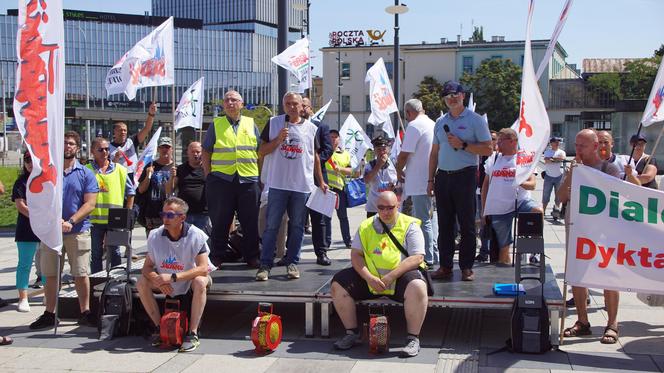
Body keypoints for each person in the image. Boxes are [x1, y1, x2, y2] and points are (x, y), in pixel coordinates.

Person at [558, 129, 638, 345]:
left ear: (595, 147)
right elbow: (560, 197)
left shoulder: (608, 168)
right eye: (576, 145)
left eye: (582, 146)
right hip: (578, 229)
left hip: (604, 232)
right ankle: (582, 322)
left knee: (608, 276)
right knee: (577, 275)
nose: (578, 150)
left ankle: (612, 324)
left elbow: (615, 199)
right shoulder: (574, 168)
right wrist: (572, 175)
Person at [330, 191, 428, 357]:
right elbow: (356, 255)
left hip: (398, 278)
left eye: (390, 208)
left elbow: (417, 257)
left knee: (418, 286)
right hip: (371, 280)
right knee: (338, 283)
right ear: (376, 207)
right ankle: (351, 333)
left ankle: (413, 338)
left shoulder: (409, 225)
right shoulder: (366, 226)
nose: (386, 212)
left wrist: (391, 277)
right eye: (381, 208)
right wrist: (369, 277)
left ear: (397, 206)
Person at [30, 131, 99, 329]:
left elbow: (90, 203)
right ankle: (50, 313)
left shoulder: (85, 173)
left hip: (77, 230)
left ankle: (85, 311)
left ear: (77, 148)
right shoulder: (48, 173)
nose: (67, 146)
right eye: (64, 143)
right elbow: (39, 199)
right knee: (51, 274)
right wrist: (53, 219)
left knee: (80, 272)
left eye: (71, 143)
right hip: (51, 232)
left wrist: (71, 220)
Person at [256, 91, 327, 281]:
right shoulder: (274, 123)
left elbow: (315, 157)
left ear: (302, 106)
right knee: (272, 226)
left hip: (301, 185)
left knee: (297, 227)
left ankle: (292, 263)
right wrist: (278, 140)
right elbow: (261, 151)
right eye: (288, 104)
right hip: (278, 184)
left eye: (295, 103)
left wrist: (320, 181)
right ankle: (265, 265)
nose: (292, 107)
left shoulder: (311, 128)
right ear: (283, 105)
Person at [428, 81, 492, 281]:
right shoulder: (440, 122)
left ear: (463, 95)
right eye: (447, 96)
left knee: (466, 224)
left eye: (455, 95)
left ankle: (466, 267)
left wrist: (463, 144)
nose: (451, 99)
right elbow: (434, 153)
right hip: (443, 177)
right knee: (445, 224)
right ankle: (445, 266)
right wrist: (430, 179)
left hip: (465, 175)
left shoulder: (476, 120)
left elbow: (488, 149)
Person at [137, 197, 210, 353]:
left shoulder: (196, 234)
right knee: (141, 282)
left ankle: (192, 333)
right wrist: (157, 280)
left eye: (170, 215)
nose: (165, 218)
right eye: (163, 214)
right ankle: (159, 328)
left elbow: (203, 268)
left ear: (182, 217)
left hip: (187, 279)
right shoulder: (155, 235)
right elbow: (146, 268)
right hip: (165, 281)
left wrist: (172, 277)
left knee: (200, 281)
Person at [202, 90, 261, 268]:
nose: (230, 103)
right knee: (220, 220)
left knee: (250, 222)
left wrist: (260, 176)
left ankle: (252, 256)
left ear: (241, 104)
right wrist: (208, 175)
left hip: (248, 179)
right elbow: (206, 151)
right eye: (227, 100)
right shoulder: (216, 124)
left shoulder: (251, 124)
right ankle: (217, 256)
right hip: (221, 180)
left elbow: (259, 151)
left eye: (234, 100)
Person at [480, 128, 542, 265]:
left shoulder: (524, 159)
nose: (498, 143)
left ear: (512, 142)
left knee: (537, 212)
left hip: (520, 201)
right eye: (498, 140)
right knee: (504, 249)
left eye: (501, 140)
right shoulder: (494, 158)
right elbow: (485, 186)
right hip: (499, 207)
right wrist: (484, 210)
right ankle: (505, 272)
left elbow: (532, 185)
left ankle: (532, 250)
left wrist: (519, 180)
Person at [396, 98, 436, 268]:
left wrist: (398, 169)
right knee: (431, 219)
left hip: (420, 180)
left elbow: (404, 154)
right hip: (429, 177)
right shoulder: (432, 123)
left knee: (422, 219)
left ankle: (427, 258)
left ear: (409, 113)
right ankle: (433, 252)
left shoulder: (414, 126)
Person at [87, 137, 136, 274]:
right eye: (100, 149)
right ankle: (96, 280)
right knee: (96, 254)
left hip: (116, 220)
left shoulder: (120, 170)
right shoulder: (87, 170)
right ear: (92, 152)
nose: (104, 152)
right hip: (94, 220)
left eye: (107, 149)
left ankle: (116, 281)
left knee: (115, 252)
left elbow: (131, 192)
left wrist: (127, 214)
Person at [303, 97, 334, 265]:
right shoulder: (292, 125)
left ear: (310, 108)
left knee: (319, 218)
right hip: (298, 179)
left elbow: (328, 149)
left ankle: (321, 253)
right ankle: (290, 254)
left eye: (304, 106)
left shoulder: (321, 126)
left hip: (317, 177)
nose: (301, 109)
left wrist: (313, 161)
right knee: (296, 219)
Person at [12, 152, 41, 312]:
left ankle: (48, 294)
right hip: (26, 228)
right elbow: (20, 205)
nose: (30, 163)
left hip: (45, 229)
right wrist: (38, 217)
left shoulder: (46, 181)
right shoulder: (20, 182)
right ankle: (23, 297)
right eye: (27, 160)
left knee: (46, 264)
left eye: (33, 160)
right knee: (24, 264)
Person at [167, 141, 210, 232]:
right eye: (193, 152)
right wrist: (171, 177)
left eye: (198, 152)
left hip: (203, 213)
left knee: (202, 242)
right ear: (188, 153)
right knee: (185, 241)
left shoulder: (207, 168)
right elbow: (169, 189)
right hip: (184, 213)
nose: (195, 154)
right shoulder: (180, 169)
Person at [137, 137, 175, 236]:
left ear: (172, 149)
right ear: (158, 149)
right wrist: (148, 176)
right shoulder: (150, 166)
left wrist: (173, 177)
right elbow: (141, 190)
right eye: (162, 147)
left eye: (167, 147)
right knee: (153, 248)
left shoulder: (176, 168)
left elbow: (173, 190)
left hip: (170, 214)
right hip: (152, 214)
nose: (165, 149)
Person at [109, 103, 157, 180]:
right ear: (114, 131)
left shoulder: (131, 141)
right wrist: (116, 157)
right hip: (118, 177)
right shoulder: (108, 148)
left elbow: (147, 128)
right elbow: (108, 167)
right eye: (120, 130)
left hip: (133, 176)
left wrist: (151, 114)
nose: (123, 132)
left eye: (125, 130)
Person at [325, 129, 353, 248]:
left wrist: (340, 169)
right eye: (331, 137)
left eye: (335, 137)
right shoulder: (324, 152)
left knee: (343, 217)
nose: (333, 139)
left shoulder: (345, 154)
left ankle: (347, 241)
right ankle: (326, 242)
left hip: (339, 189)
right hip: (326, 189)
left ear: (339, 139)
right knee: (326, 218)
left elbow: (350, 171)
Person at [475, 130, 498, 262]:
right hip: (478, 192)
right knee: (483, 222)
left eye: (494, 139)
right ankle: (484, 251)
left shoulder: (497, 157)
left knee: (494, 223)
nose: (491, 141)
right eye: (489, 138)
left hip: (494, 194)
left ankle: (493, 251)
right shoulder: (479, 155)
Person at [364, 136, 398, 218]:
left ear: (388, 150)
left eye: (384, 149)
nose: (382, 152)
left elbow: (401, 180)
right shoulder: (370, 165)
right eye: (379, 149)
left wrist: (395, 187)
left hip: (390, 206)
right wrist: (379, 165)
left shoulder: (395, 163)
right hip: (374, 208)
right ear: (375, 151)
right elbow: (366, 180)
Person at [541, 137, 566, 217]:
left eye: (558, 141)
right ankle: (543, 211)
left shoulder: (562, 152)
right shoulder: (547, 152)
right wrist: (555, 159)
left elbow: (562, 159)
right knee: (546, 194)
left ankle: (556, 210)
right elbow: (546, 160)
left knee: (558, 195)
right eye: (555, 142)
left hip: (559, 176)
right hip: (548, 176)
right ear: (551, 143)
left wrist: (552, 159)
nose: (557, 143)